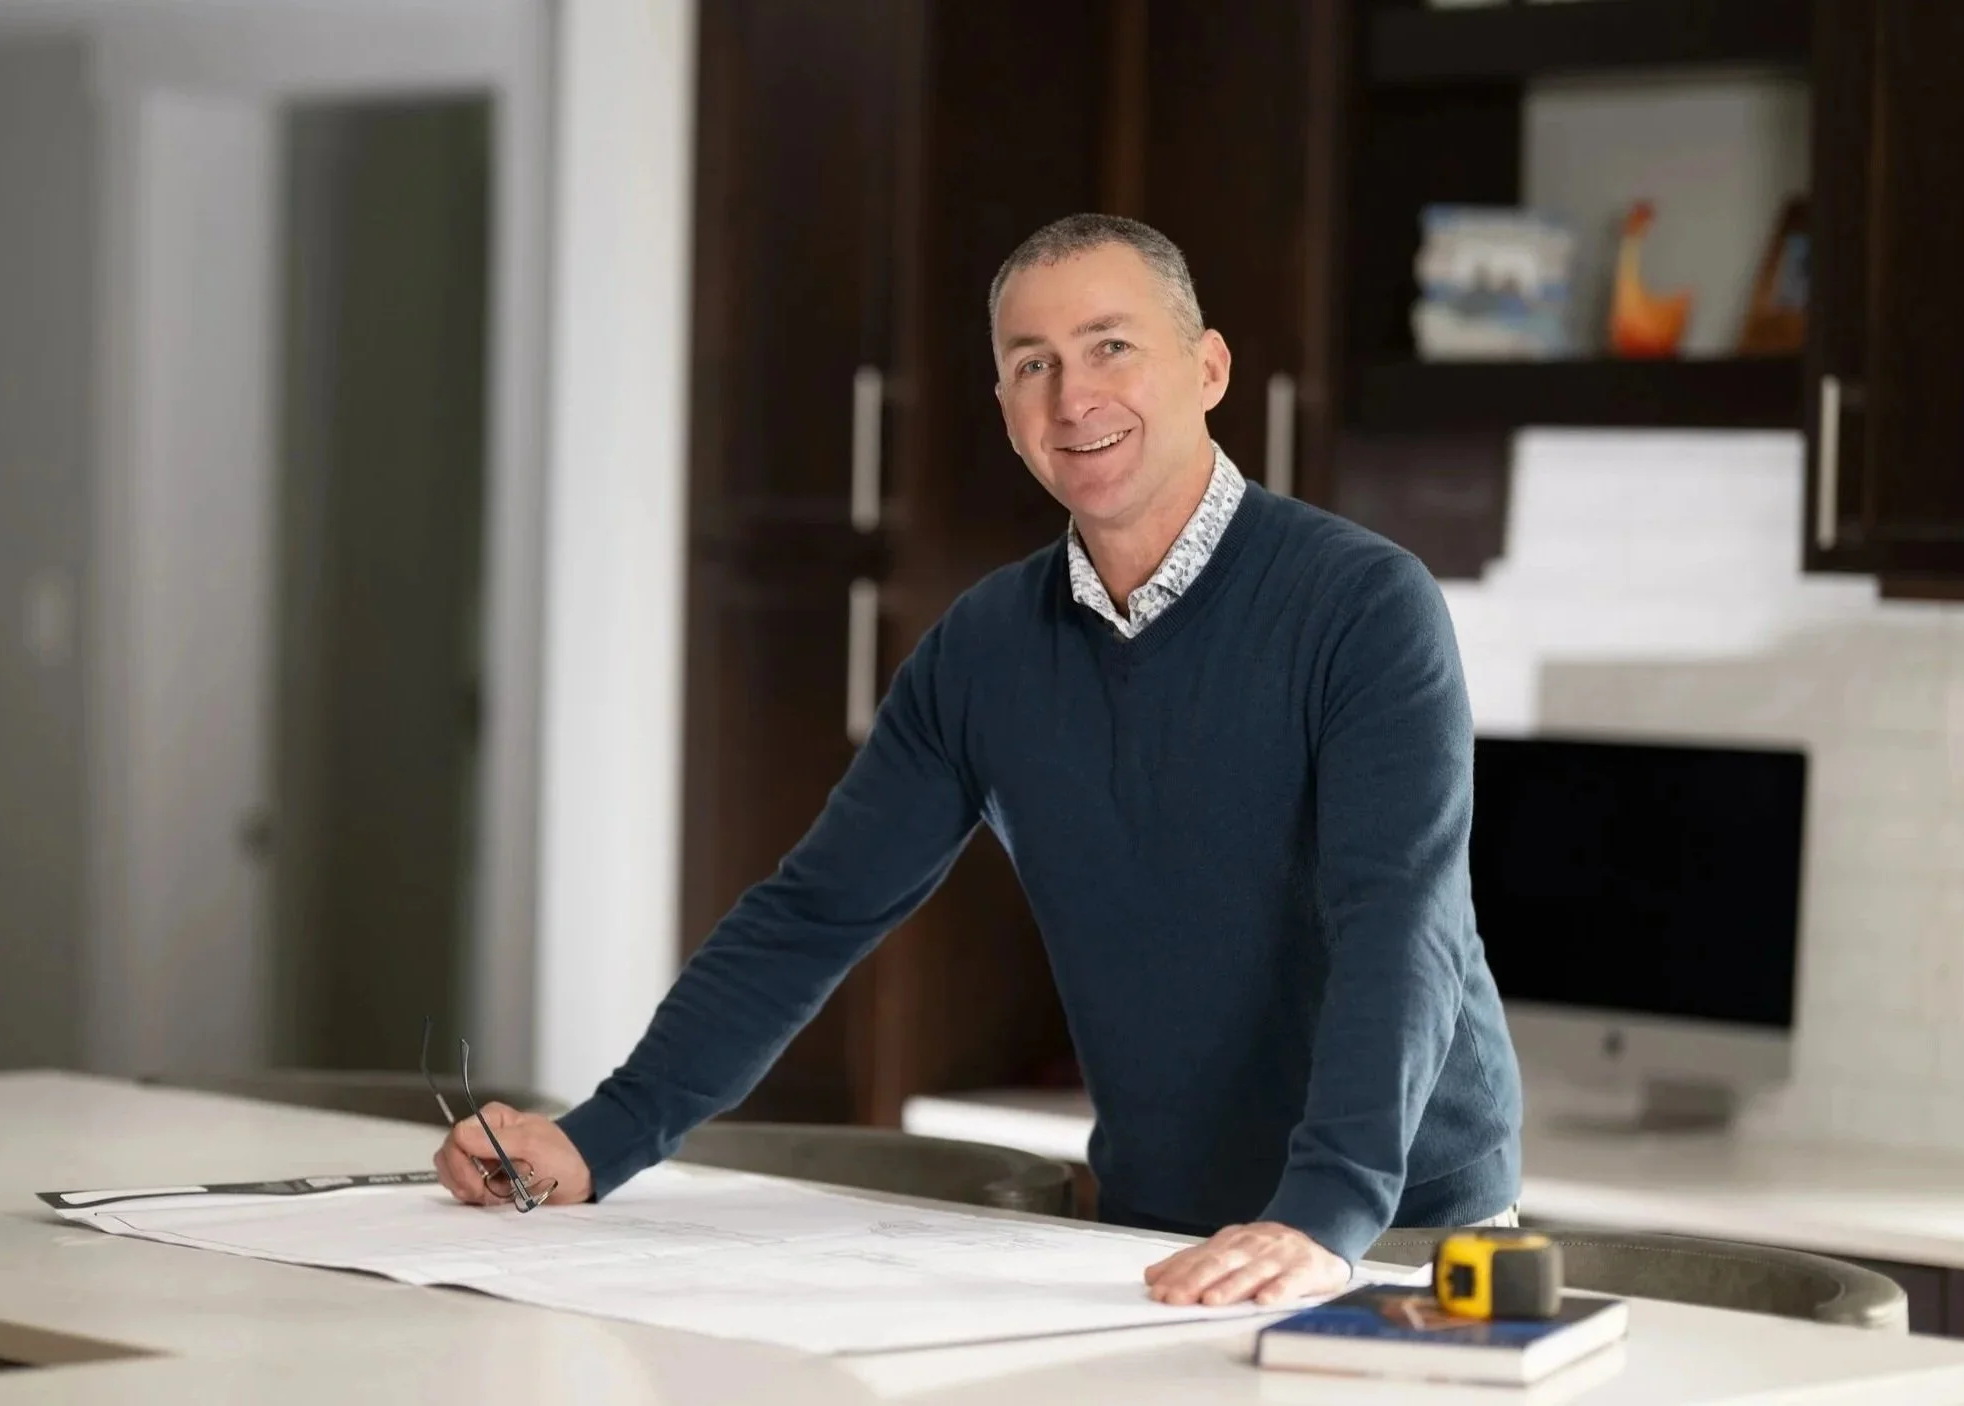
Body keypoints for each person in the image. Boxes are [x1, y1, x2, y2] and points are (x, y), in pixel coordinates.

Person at [434, 213, 1523, 1309]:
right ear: (1005, 413)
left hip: (1395, 1223)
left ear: (1208, 369)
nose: (1071, 396)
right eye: (1030, 364)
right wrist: (600, 1136)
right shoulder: (983, 648)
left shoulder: (1363, 606)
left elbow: (1398, 918)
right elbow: (812, 912)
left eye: (1109, 346)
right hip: (1150, 1230)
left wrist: (1322, 1209)